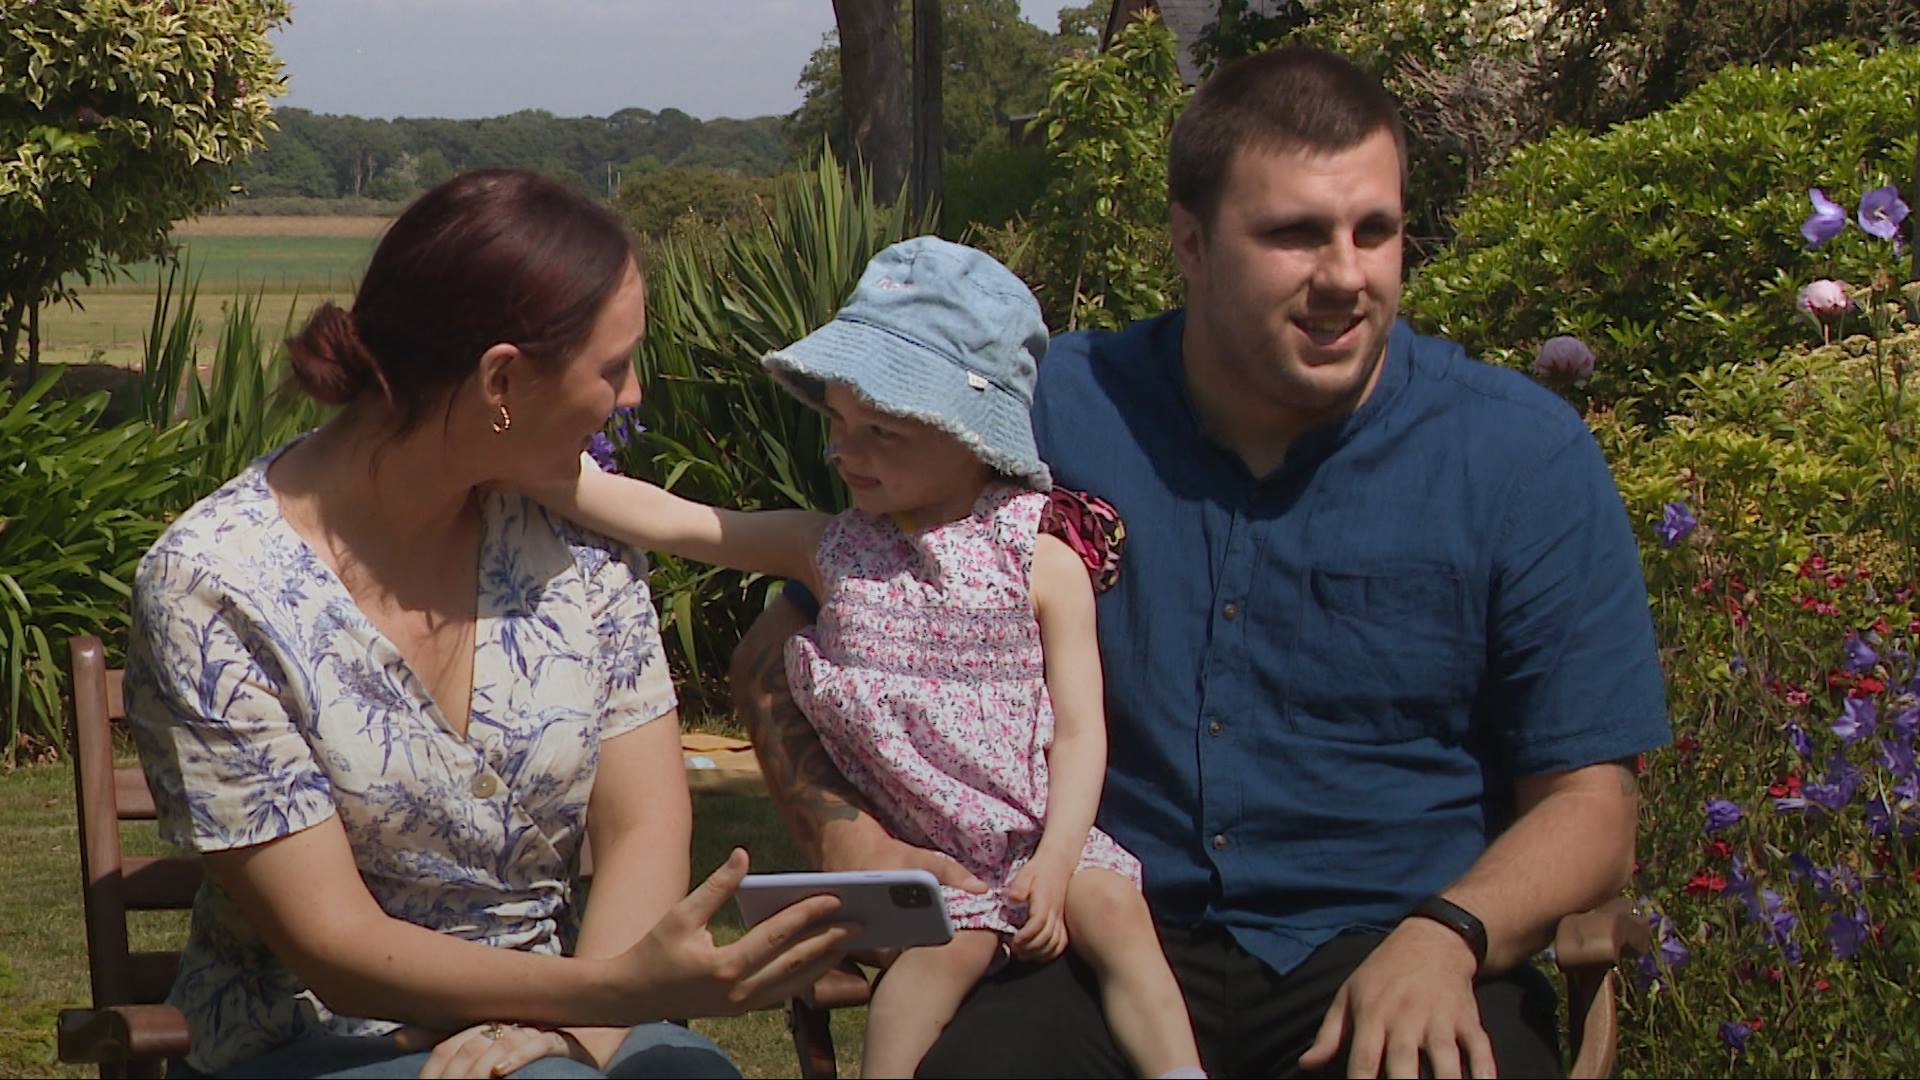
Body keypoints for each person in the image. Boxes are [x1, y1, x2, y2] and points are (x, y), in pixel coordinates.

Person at [729, 46, 1671, 1079]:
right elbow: (781, 647)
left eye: (1376, 232)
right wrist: (850, 840)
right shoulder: (1043, 419)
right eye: (1294, 236)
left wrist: (1451, 934)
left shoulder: (1518, 457)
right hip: (1091, 934)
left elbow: (1593, 807)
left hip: (1392, 941)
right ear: (1190, 241)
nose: (1346, 276)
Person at [125, 168, 851, 1080]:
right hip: (316, 1045)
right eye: (613, 366)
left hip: (566, 1029)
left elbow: (643, 824)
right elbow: (332, 945)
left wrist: (570, 1031)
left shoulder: (581, 540)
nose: (630, 399)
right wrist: (610, 997)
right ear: (501, 378)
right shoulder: (215, 588)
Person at [528, 237, 1206, 1080]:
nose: (847, 454)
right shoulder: (832, 549)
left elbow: (1078, 732)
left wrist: (1060, 856)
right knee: (932, 961)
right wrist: (546, 471)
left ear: (972, 432)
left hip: (1042, 835)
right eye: (841, 427)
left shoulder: (1037, 555)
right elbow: (686, 522)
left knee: (1114, 909)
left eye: (881, 432)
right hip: (924, 868)